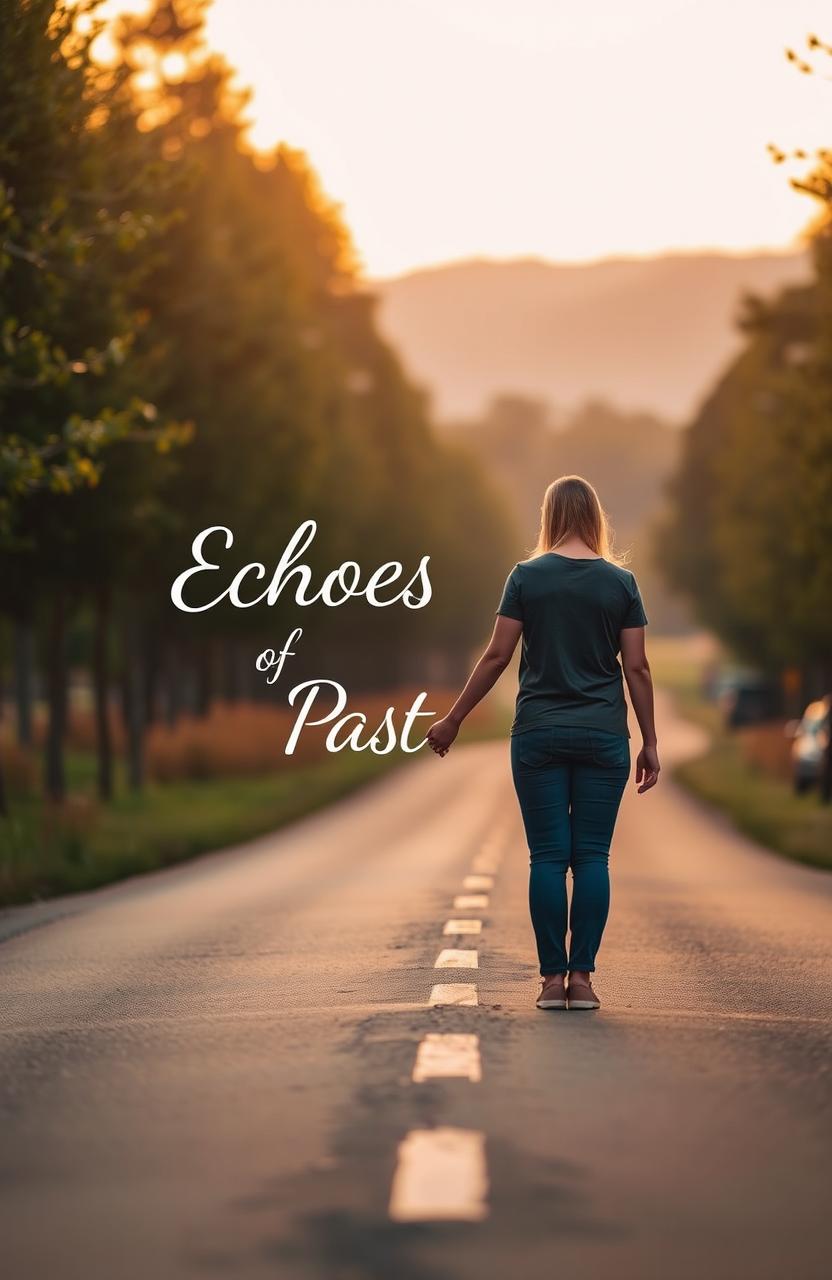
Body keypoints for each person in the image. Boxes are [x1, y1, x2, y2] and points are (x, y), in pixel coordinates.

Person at [426, 475, 660, 1011]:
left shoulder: (526, 578)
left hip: (538, 733)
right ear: (596, 517)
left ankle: (552, 982)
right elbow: (638, 667)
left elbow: (496, 655)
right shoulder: (621, 583)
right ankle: (583, 981)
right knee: (593, 858)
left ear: (549, 516)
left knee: (549, 857)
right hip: (604, 734)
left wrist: (455, 719)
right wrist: (650, 741)